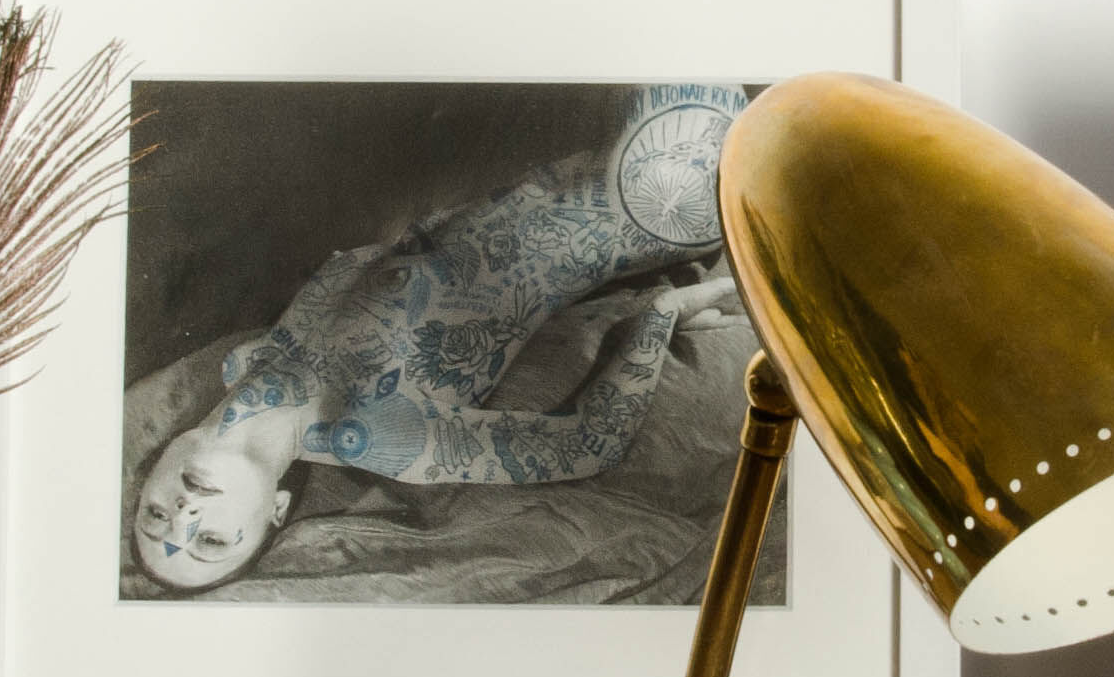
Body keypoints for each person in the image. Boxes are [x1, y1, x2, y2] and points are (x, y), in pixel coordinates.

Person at [130, 88, 750, 593]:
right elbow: (590, 445)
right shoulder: (375, 434)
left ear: (151, 476)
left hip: (587, 151)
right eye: (210, 541)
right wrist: (659, 315)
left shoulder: (255, 361)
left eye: (154, 517)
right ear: (275, 514)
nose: (183, 516)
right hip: (662, 191)